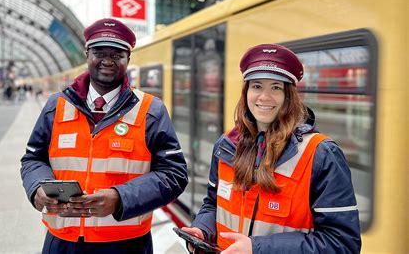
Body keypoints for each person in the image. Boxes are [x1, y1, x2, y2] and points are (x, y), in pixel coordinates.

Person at [20, 18, 188, 253]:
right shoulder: (55, 106)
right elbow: (32, 159)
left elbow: (174, 174)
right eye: (99, 52)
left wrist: (121, 198)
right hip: (62, 241)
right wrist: (37, 188)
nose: (107, 61)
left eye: (117, 54)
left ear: (128, 60)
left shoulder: (151, 110)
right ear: (87, 53)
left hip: (127, 244)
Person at [181, 44, 361, 253]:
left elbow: (343, 243)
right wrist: (202, 229)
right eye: (257, 86)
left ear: (288, 95)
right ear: (246, 91)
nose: (264, 97)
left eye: (276, 87)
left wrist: (258, 249)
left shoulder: (321, 154)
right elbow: (213, 204)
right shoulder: (226, 146)